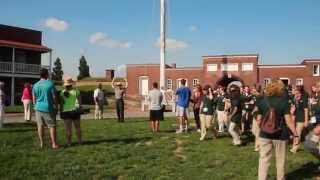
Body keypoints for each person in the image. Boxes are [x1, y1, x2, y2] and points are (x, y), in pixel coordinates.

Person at [256, 80, 299, 180]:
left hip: (264, 134)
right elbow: (288, 120)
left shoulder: (262, 101)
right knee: (280, 160)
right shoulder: (283, 102)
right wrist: (296, 134)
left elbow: (258, 120)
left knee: (263, 159)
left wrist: (263, 128)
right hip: (280, 134)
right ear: (280, 89)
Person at [32, 68, 59, 149]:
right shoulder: (50, 84)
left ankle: (42, 143)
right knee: (52, 126)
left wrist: (35, 106)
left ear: (40, 75)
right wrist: (56, 106)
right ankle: (54, 144)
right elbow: (54, 97)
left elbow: (34, 98)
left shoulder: (35, 85)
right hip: (48, 108)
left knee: (40, 126)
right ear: (47, 75)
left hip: (38, 108)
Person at [60, 78, 82, 146]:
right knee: (77, 127)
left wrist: (61, 111)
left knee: (68, 129)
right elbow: (80, 103)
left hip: (66, 112)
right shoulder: (76, 91)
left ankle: (69, 143)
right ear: (71, 84)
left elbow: (61, 103)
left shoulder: (62, 92)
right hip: (75, 111)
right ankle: (80, 142)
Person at [290, 86, 309, 153]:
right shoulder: (294, 98)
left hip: (301, 118)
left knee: (298, 132)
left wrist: (306, 121)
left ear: (298, 91)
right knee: (295, 132)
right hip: (295, 117)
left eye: (294, 90)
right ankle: (294, 146)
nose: (293, 91)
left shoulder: (303, 98)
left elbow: (306, 110)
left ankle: (295, 148)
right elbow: (292, 108)